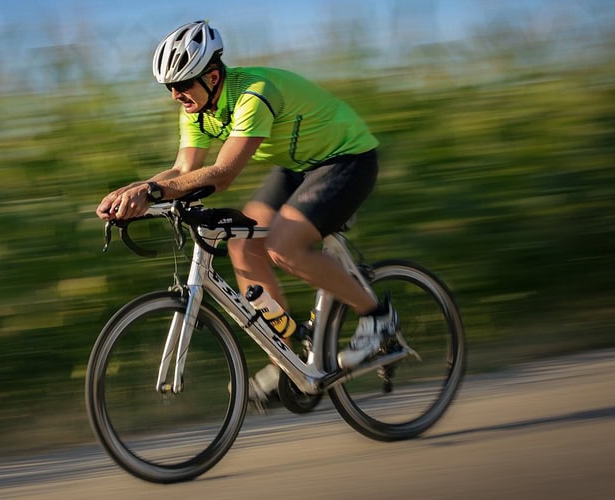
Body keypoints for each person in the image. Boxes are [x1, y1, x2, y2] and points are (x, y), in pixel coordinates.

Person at [95, 20, 397, 403]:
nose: (176, 94)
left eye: (183, 84)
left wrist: (154, 190)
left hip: (347, 159)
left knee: (283, 247)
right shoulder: (197, 109)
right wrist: (133, 192)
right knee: (242, 245)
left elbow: (221, 175)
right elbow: (183, 171)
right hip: (298, 166)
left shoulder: (254, 93)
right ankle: (289, 358)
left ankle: (377, 316)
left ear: (213, 76)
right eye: (170, 87)